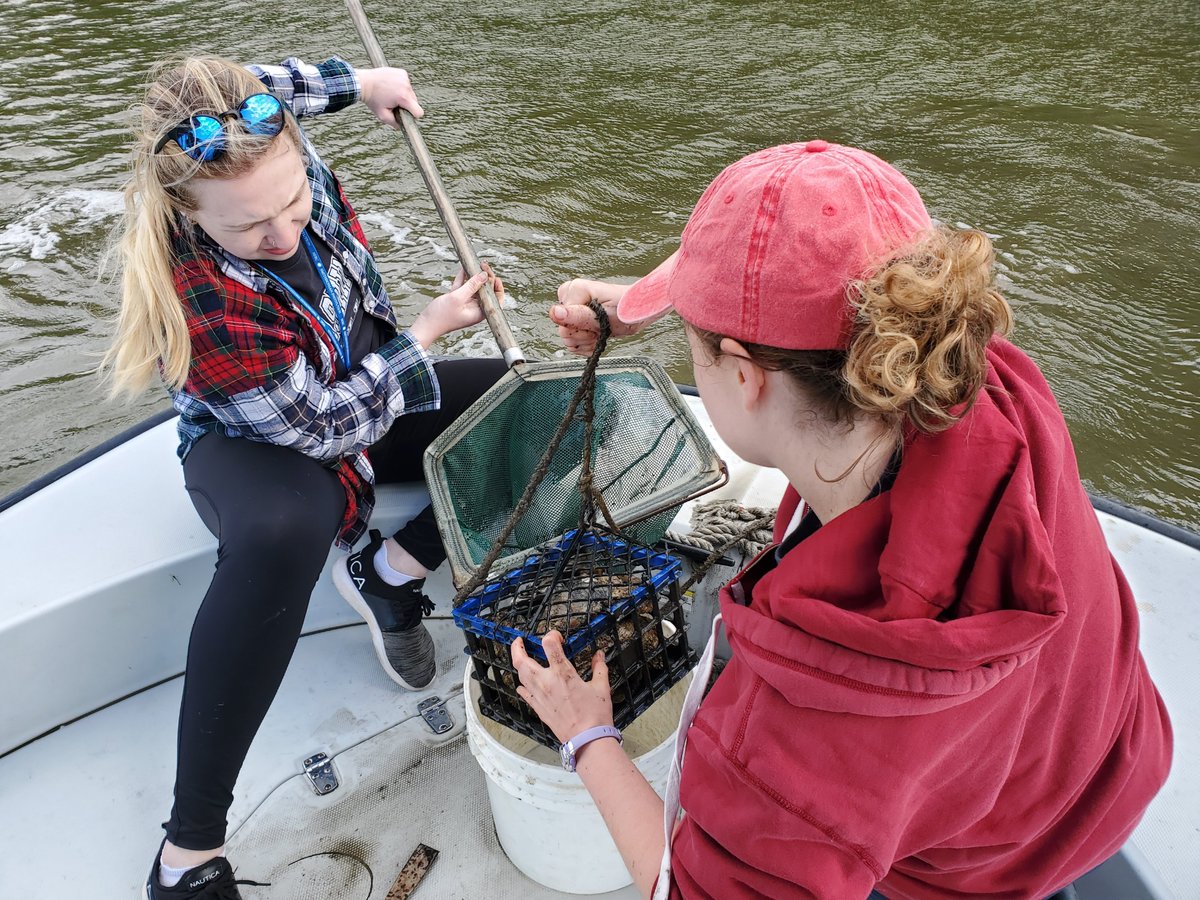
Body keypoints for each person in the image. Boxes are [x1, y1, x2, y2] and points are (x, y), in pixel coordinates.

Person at [511, 140, 1172, 899]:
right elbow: (823, 293)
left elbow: (686, 889)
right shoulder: (992, 385)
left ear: (745, 375)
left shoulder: (801, 729)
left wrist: (588, 735)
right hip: (1099, 774)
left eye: (691, 343)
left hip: (968, 877)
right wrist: (644, 309)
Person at [101, 55, 506, 899]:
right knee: (287, 527)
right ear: (185, 207)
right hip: (267, 445)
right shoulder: (199, 292)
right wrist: (425, 333)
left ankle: (392, 572)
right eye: (251, 228)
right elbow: (323, 431)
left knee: (527, 403)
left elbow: (271, 83)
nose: (284, 233)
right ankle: (187, 852)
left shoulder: (255, 126)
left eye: (295, 201)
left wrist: (366, 83)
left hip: (356, 382)